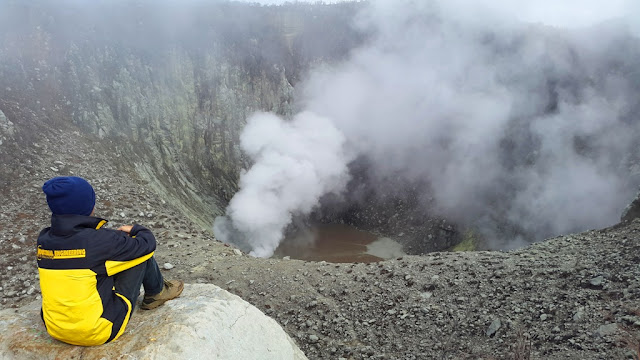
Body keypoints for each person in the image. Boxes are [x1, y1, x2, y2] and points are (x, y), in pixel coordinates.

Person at [36, 176, 184, 346]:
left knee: (94, 269)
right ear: (87, 206)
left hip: (54, 328)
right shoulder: (100, 241)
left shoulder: (44, 239)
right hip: (98, 331)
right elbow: (147, 244)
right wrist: (136, 230)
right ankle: (156, 294)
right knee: (137, 253)